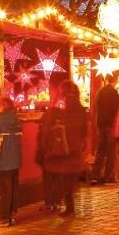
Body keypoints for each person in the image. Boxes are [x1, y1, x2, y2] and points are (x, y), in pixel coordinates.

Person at [38, 82, 87, 216]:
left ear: (62, 91)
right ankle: (69, 207)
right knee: (70, 178)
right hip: (75, 145)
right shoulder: (80, 107)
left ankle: (68, 207)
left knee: (64, 177)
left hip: (65, 145)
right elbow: (84, 129)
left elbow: (58, 124)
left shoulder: (63, 106)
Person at [0, 97, 22, 227]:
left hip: (3, 160)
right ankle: (12, 214)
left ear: (1, 107)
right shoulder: (17, 120)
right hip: (16, 159)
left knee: (4, 190)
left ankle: (4, 218)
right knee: (13, 188)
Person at [91, 76, 119, 185]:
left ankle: (95, 175)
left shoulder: (100, 91)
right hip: (111, 125)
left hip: (101, 125)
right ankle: (109, 176)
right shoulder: (114, 93)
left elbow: (96, 108)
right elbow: (118, 111)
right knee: (111, 152)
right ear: (116, 80)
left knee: (101, 151)